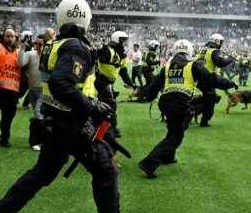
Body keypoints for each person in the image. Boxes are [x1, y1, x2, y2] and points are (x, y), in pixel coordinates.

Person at [0, 0, 138, 213]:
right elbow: (61, 83)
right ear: (85, 18)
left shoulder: (55, 44)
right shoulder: (76, 47)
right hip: (71, 123)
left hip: (53, 121)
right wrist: (92, 106)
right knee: (106, 170)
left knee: (43, 172)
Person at [138, 40, 237, 179]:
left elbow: (155, 84)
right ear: (189, 51)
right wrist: (229, 83)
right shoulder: (193, 65)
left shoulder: (167, 66)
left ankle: (168, 157)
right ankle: (149, 163)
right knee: (176, 136)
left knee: (173, 130)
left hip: (165, 103)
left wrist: (149, 97)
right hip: (181, 103)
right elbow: (211, 79)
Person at [95, 30, 134, 137]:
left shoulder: (121, 56)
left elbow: (123, 72)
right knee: (109, 106)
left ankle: (108, 129)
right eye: (122, 41)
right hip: (101, 81)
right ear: (117, 40)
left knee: (109, 106)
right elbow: (96, 55)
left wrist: (131, 84)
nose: (124, 44)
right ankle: (105, 132)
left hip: (108, 83)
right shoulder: (108, 51)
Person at [195, 33, 234, 127]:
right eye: (221, 42)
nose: (221, 44)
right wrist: (230, 59)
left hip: (198, 76)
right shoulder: (214, 50)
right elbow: (220, 63)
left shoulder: (203, 49)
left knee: (209, 98)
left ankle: (201, 118)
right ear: (217, 41)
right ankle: (197, 116)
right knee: (210, 101)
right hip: (207, 77)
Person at [19, 34, 44, 151]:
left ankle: (38, 141)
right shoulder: (30, 54)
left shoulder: (49, 57)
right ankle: (44, 138)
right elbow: (20, 63)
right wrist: (22, 48)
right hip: (32, 89)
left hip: (45, 91)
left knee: (38, 113)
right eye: (36, 43)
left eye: (40, 44)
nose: (37, 46)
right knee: (37, 114)